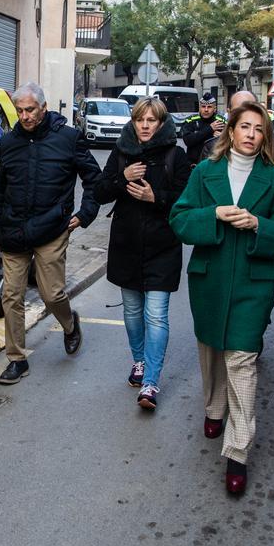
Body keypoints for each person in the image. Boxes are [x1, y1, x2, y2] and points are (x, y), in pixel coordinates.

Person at [169, 101, 274, 496]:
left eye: (259, 129)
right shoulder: (205, 172)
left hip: (252, 283)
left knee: (241, 359)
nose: (251, 134)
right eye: (245, 126)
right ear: (231, 130)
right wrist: (214, 216)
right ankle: (213, 408)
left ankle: (238, 452)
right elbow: (178, 219)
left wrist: (259, 223)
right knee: (211, 349)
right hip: (209, 278)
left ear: (266, 137)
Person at [0, 82, 101, 384]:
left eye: (30, 110)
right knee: (11, 295)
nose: (24, 116)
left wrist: (85, 214)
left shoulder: (68, 138)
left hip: (53, 228)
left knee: (52, 293)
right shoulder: (9, 142)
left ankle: (69, 324)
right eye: (20, 110)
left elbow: (94, 180)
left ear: (44, 108)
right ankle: (16, 359)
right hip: (13, 231)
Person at [94, 97, 190, 410]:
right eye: (140, 120)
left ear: (162, 123)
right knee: (133, 313)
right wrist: (124, 178)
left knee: (156, 315)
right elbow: (99, 190)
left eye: (152, 120)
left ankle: (150, 382)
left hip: (163, 247)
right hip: (127, 245)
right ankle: (139, 361)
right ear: (133, 122)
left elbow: (185, 201)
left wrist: (155, 196)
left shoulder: (177, 155)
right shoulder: (121, 152)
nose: (146, 125)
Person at [203, 90, 274, 176]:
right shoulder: (211, 148)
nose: (244, 116)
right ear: (229, 113)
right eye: (237, 112)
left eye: (250, 110)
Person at [181, 93, 226, 165]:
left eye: (209, 107)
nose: (206, 110)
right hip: (193, 165)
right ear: (199, 108)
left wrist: (223, 137)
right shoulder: (191, 120)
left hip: (214, 164)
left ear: (215, 109)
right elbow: (188, 141)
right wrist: (210, 129)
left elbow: (232, 142)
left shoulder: (221, 121)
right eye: (203, 106)